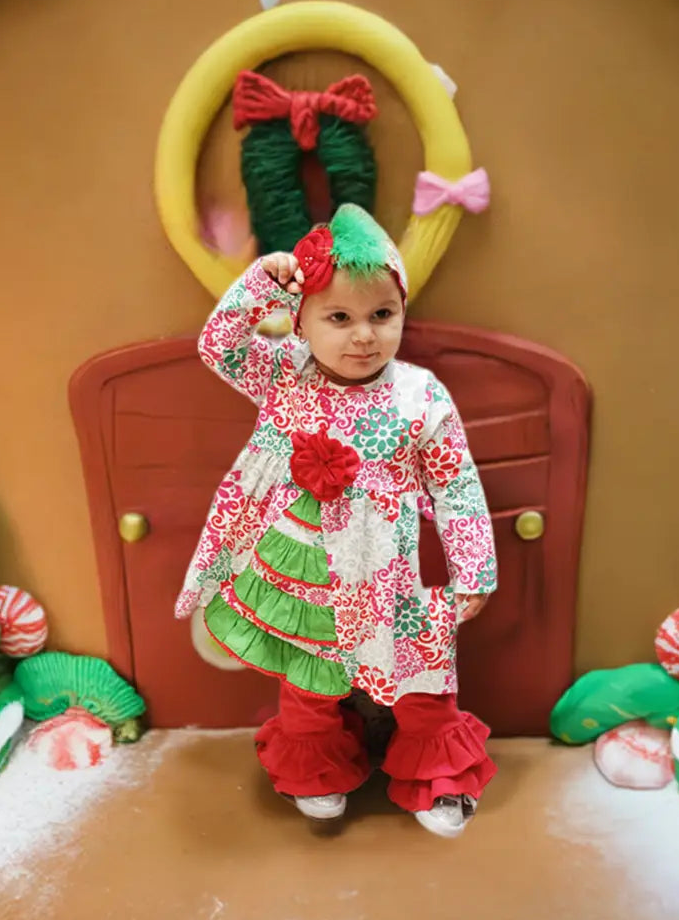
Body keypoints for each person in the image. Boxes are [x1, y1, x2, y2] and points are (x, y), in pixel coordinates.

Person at [176, 204, 498, 838]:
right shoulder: (284, 372)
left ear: (402, 312)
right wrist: (263, 282)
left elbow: (456, 485)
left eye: (382, 315)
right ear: (303, 322)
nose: (363, 336)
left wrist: (474, 569)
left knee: (421, 675)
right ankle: (316, 769)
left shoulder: (421, 393)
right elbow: (217, 345)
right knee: (310, 678)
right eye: (339, 318)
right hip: (303, 567)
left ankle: (436, 776)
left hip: (390, 569)